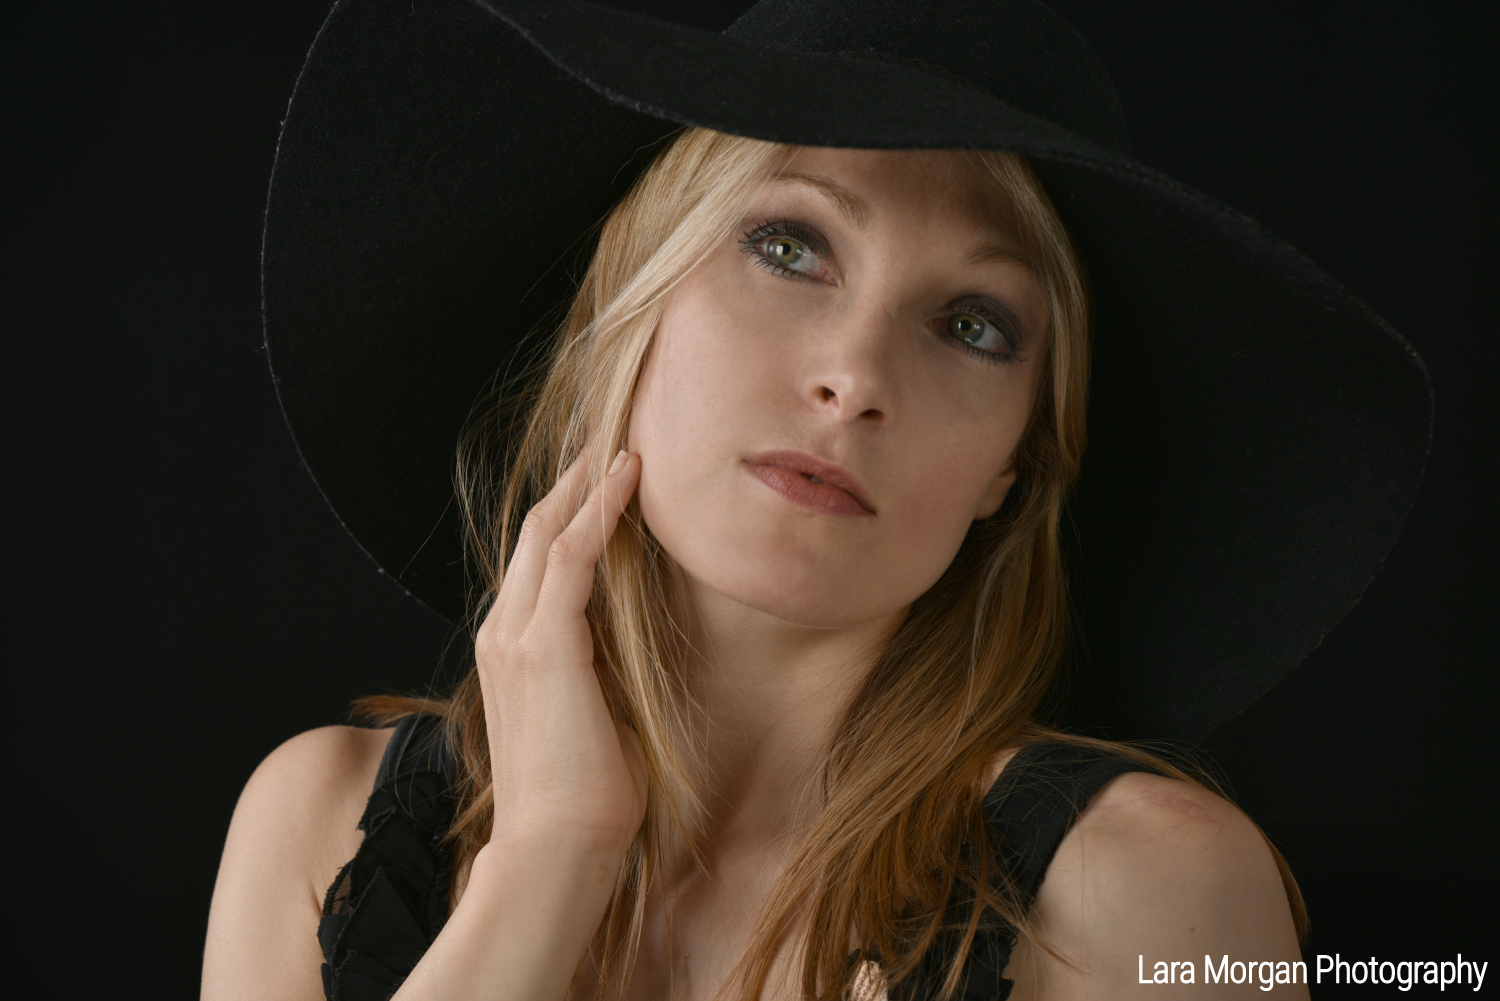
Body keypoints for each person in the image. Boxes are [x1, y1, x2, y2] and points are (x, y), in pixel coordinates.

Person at [201, 1, 1430, 999]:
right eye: (789, 247)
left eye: (972, 325)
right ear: (622, 307)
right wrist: (550, 854)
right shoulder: (319, 825)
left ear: (1012, 465)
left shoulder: (1143, 891)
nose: (856, 378)